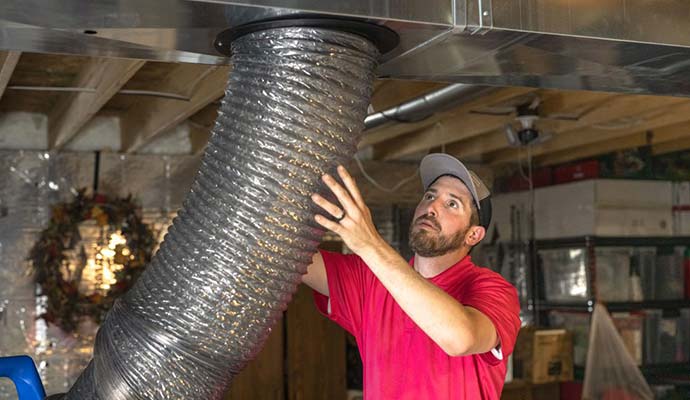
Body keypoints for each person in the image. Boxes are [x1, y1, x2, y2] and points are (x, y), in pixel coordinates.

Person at [303, 153, 521, 399]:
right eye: (430, 196)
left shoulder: (493, 290)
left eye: (452, 204)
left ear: (473, 235)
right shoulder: (371, 278)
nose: (432, 207)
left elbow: (460, 338)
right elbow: (288, 257)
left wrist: (370, 244)